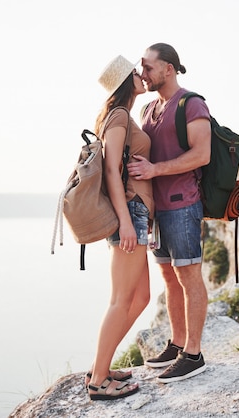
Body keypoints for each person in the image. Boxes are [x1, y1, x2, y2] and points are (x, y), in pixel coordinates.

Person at [127, 43, 211, 383]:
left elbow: (201, 154)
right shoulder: (148, 109)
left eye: (148, 67)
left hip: (183, 205)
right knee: (170, 279)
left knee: (189, 278)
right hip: (156, 211)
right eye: (141, 68)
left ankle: (194, 354)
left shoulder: (192, 105)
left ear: (169, 69)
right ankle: (177, 345)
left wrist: (154, 170)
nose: (143, 73)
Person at [85, 55, 153, 400]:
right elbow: (112, 170)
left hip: (137, 212)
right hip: (130, 212)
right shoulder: (119, 116)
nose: (143, 76)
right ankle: (98, 381)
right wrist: (126, 221)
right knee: (121, 299)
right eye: (136, 73)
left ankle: (102, 364)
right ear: (127, 80)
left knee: (141, 297)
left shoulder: (122, 116)